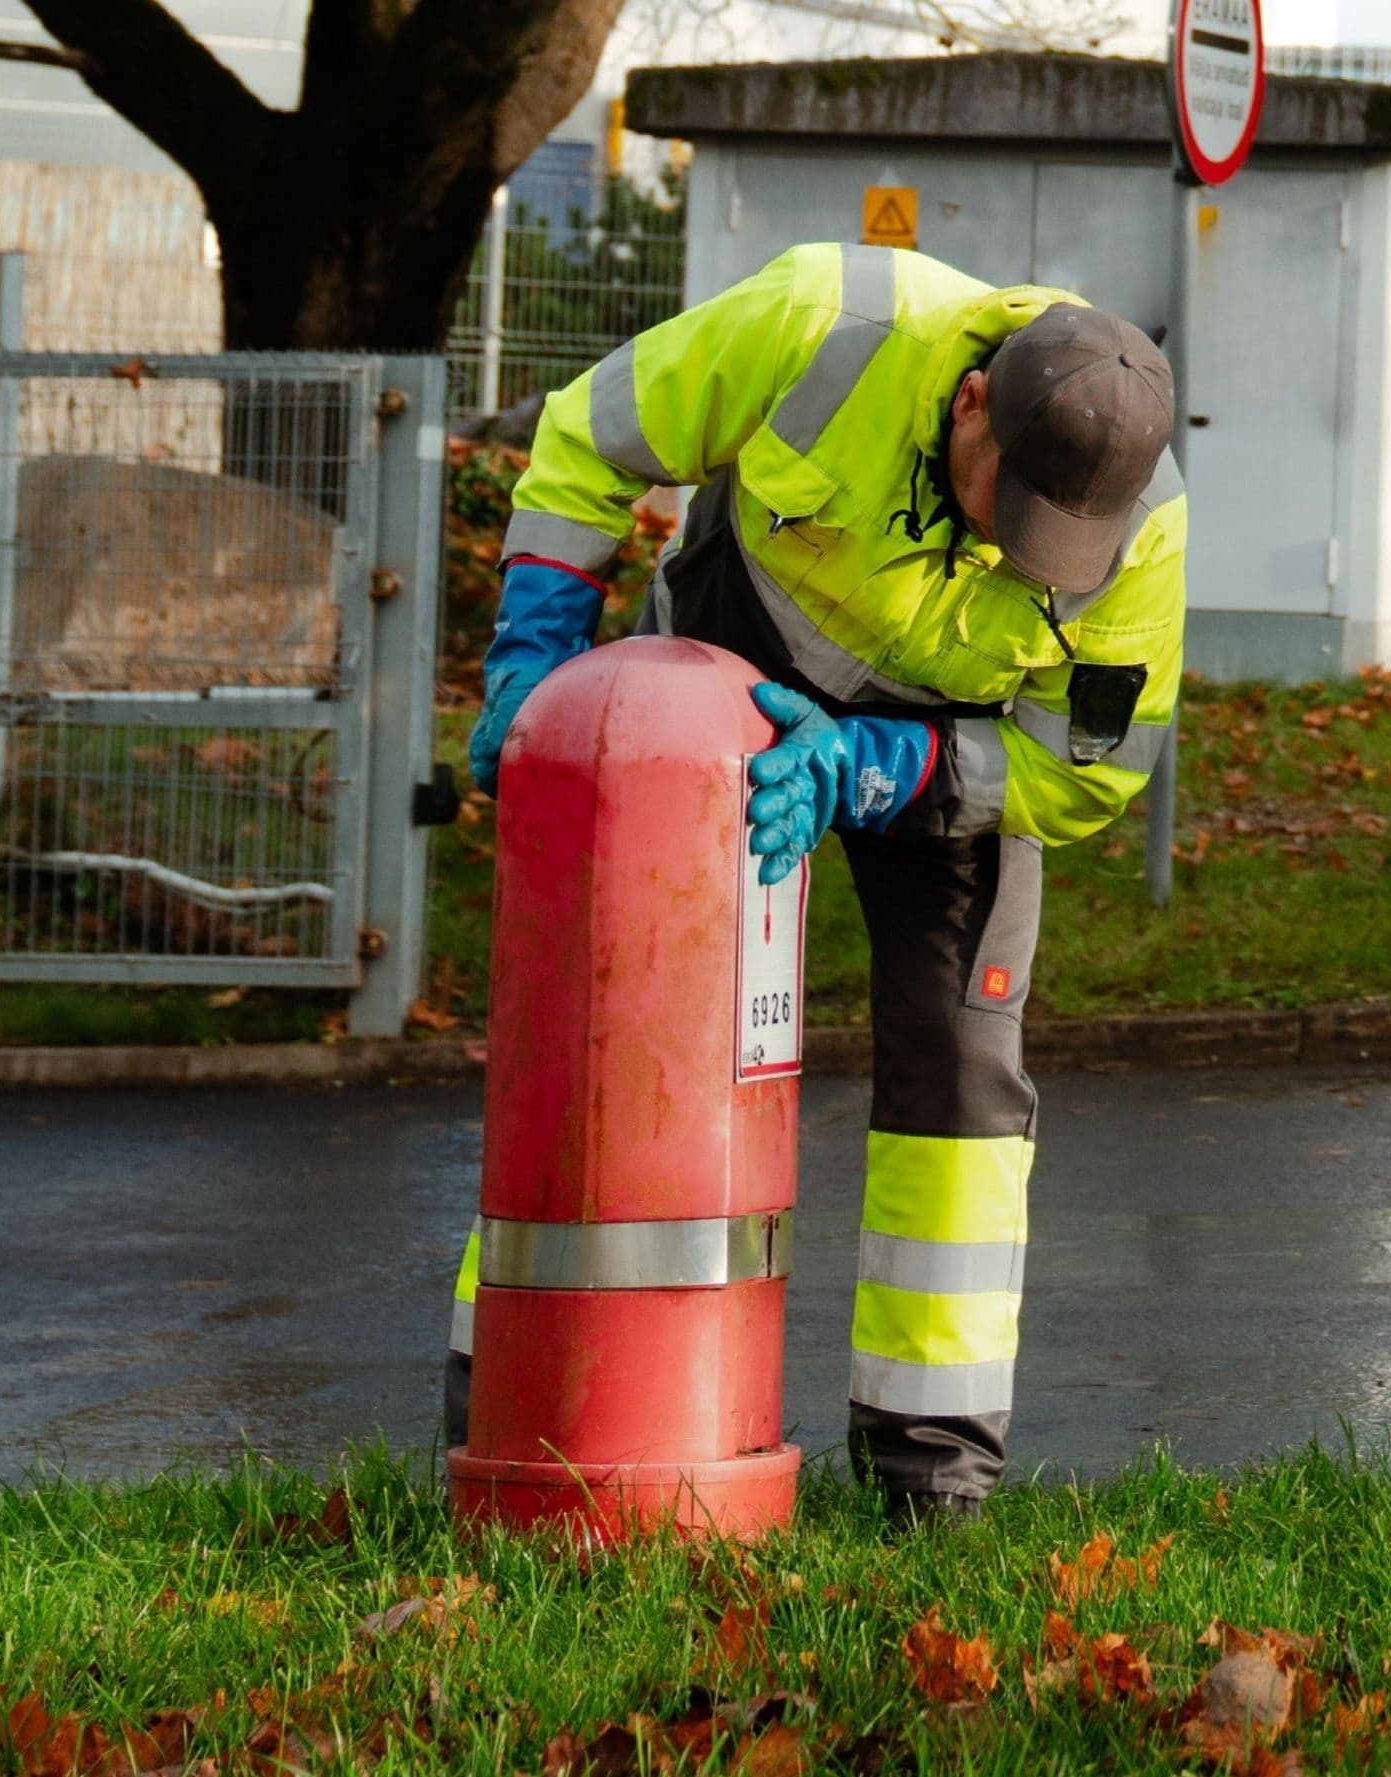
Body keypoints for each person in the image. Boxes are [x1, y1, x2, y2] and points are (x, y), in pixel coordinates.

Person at [446, 241, 1185, 1524]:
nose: (1018, 555)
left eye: (1050, 547)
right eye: (1006, 512)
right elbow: (588, 437)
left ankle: (931, 1472)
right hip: (716, 680)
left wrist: (875, 764)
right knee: (619, 1030)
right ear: (970, 403)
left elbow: (1085, 768)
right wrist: (535, 672)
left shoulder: (1139, 532)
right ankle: (504, 1407)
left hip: (943, 754)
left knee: (962, 1071)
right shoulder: (822, 323)